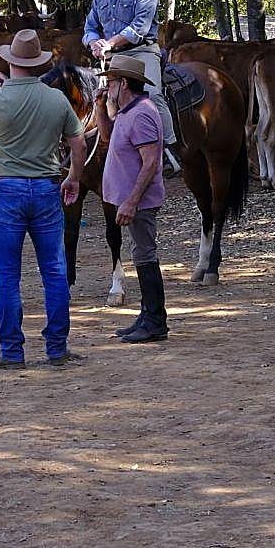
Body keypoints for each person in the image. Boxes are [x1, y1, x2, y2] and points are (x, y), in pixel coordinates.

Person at [0, 29, 87, 369]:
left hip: (6, 189)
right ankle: (56, 347)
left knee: (7, 276)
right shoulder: (56, 100)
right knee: (54, 270)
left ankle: (12, 350)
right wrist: (74, 178)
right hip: (47, 189)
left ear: (9, 62)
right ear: (39, 64)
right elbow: (78, 144)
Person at [82, 0, 177, 172]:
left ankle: (168, 150)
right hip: (111, 55)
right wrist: (94, 43)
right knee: (97, 97)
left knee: (152, 95)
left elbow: (139, 28)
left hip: (142, 51)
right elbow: (90, 27)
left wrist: (109, 43)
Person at [100, 55, 169, 345]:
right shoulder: (126, 111)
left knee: (145, 255)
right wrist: (99, 107)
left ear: (124, 83)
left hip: (137, 200)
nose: (107, 85)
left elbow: (150, 161)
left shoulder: (141, 113)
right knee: (140, 253)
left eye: (111, 81)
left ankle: (155, 320)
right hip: (130, 199)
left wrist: (131, 201)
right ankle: (146, 315)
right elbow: (107, 138)